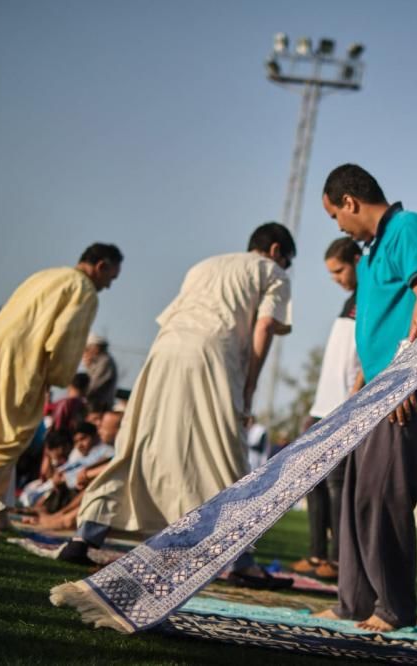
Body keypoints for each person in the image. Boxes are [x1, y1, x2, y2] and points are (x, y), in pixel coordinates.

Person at [57, 223, 294, 585]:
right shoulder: (272, 271)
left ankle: (86, 534)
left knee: (139, 443)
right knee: (226, 450)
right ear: (277, 250)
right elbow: (263, 327)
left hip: (165, 350)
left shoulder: (204, 265)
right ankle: (241, 560)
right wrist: (250, 385)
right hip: (214, 355)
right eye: (288, 261)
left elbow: (173, 316)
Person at [314, 164, 417, 633]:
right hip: (381, 387)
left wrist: (404, 378)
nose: (337, 225)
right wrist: (366, 375)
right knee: (358, 491)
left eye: (334, 213)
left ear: (350, 202)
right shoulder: (371, 253)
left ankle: (394, 609)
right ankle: (354, 601)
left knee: (384, 495)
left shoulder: (408, 228)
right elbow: (378, 322)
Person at [0, 243, 122, 530]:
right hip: (24, 357)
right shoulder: (84, 290)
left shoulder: (47, 275)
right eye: (111, 277)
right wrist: (54, 376)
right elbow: (64, 337)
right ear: (101, 266)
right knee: (11, 433)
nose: (109, 285)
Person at [291, 237, 363, 581]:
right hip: (324, 404)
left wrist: (357, 390)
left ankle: (337, 561)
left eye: (339, 270)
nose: (336, 278)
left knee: (337, 483)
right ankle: (317, 554)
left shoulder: (372, 296)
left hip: (346, 404)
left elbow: (368, 350)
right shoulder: (349, 300)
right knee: (313, 480)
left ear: (357, 260)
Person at [47, 372, 90, 436]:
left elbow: (48, 412)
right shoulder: (85, 406)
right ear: (86, 388)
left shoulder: (64, 403)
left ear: (70, 386)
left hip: (59, 439)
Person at [83, 334, 118, 412]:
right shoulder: (99, 360)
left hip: (99, 406)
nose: (86, 351)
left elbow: (94, 384)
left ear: (96, 347)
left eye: (87, 348)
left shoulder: (105, 361)